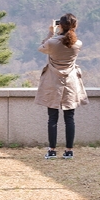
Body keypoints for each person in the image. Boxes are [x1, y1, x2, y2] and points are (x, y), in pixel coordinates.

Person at [34, 13, 88, 159]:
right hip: (70, 82)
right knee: (69, 117)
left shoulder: (52, 42)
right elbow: (67, 41)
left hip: (53, 81)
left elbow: (41, 48)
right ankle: (69, 150)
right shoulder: (78, 44)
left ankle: (52, 150)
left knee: (52, 117)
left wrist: (51, 32)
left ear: (60, 25)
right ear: (75, 26)